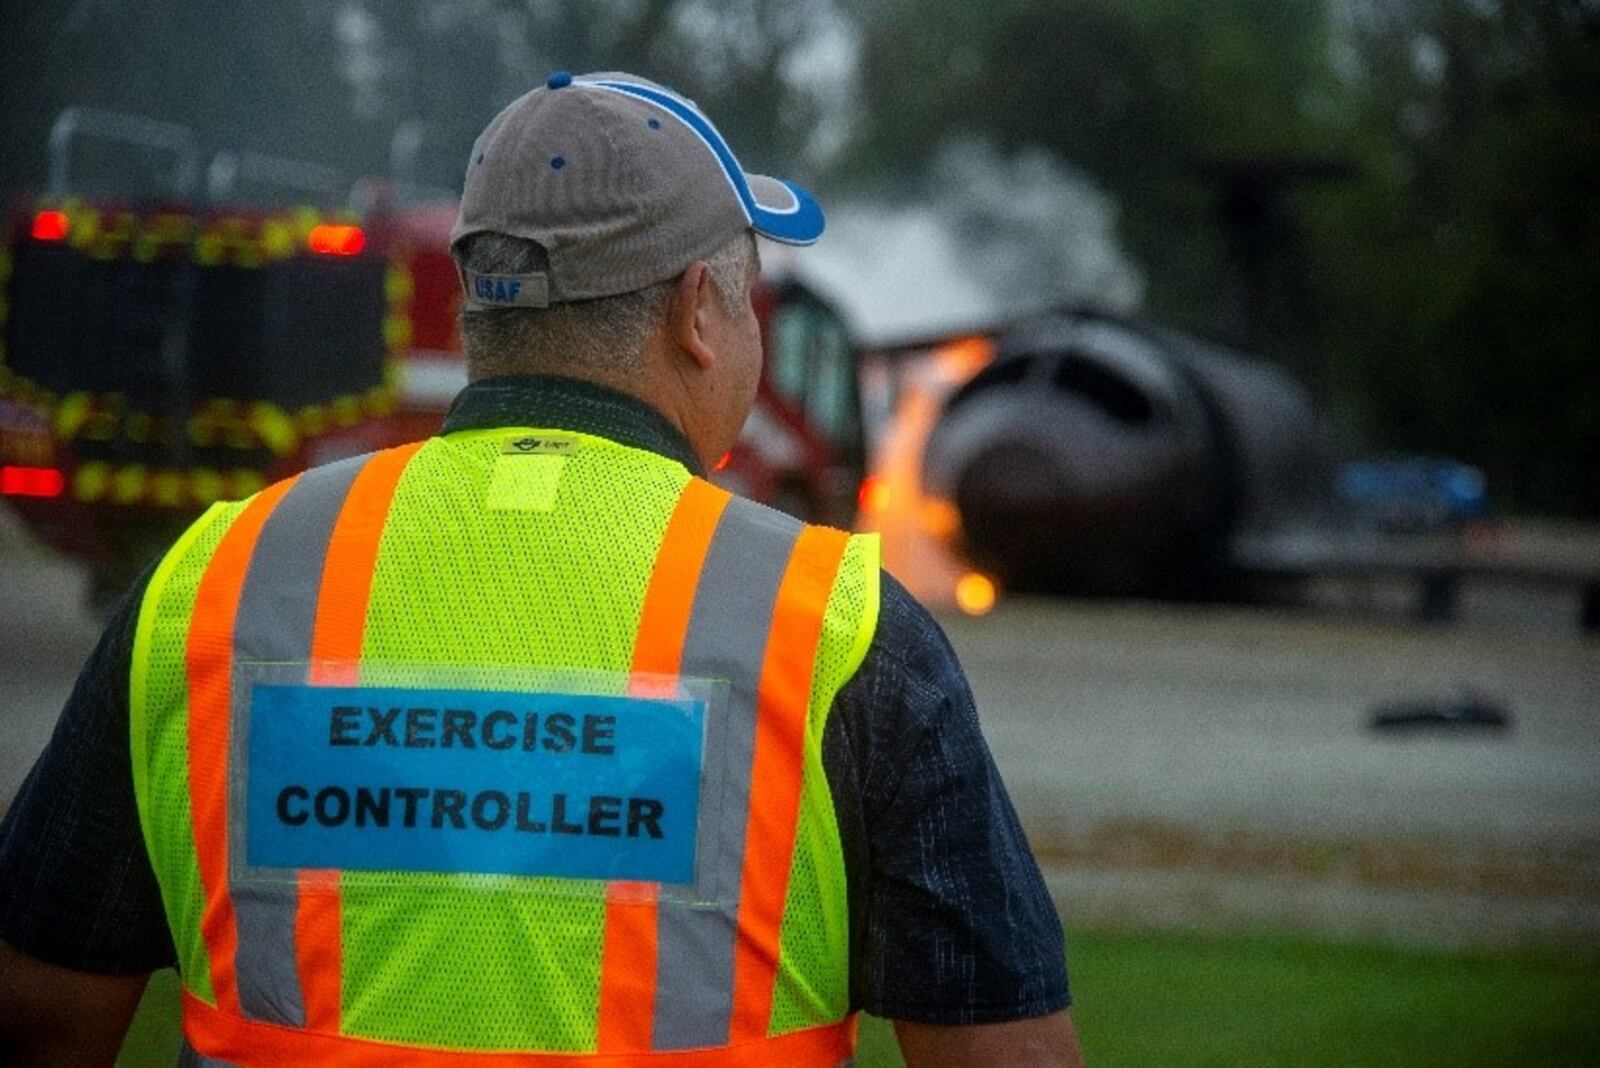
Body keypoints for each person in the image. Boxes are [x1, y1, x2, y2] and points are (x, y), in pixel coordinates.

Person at [0, 71, 1079, 1065]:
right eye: (748, 298)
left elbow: (42, 1016)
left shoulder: (213, 580)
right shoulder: (840, 626)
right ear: (697, 311)